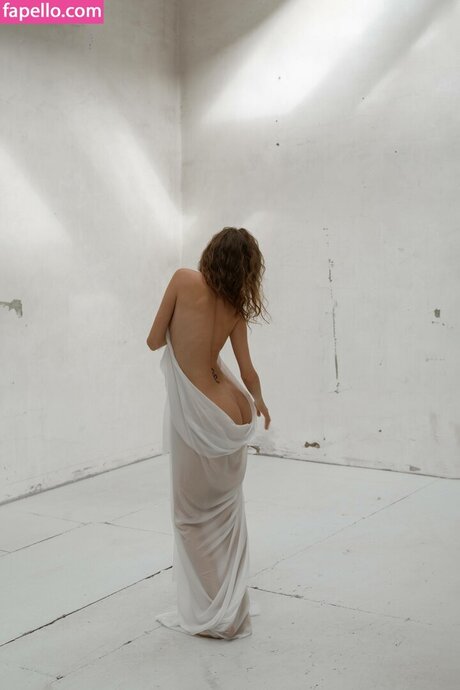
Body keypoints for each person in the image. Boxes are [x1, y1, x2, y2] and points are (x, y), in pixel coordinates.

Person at [146, 226, 271, 640]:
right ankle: (231, 602)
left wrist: (183, 334)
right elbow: (248, 371)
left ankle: (220, 615)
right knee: (226, 511)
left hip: (201, 412)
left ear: (211, 253)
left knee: (189, 517)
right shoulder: (235, 306)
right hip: (236, 408)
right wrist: (260, 403)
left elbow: (153, 340)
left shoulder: (184, 280)